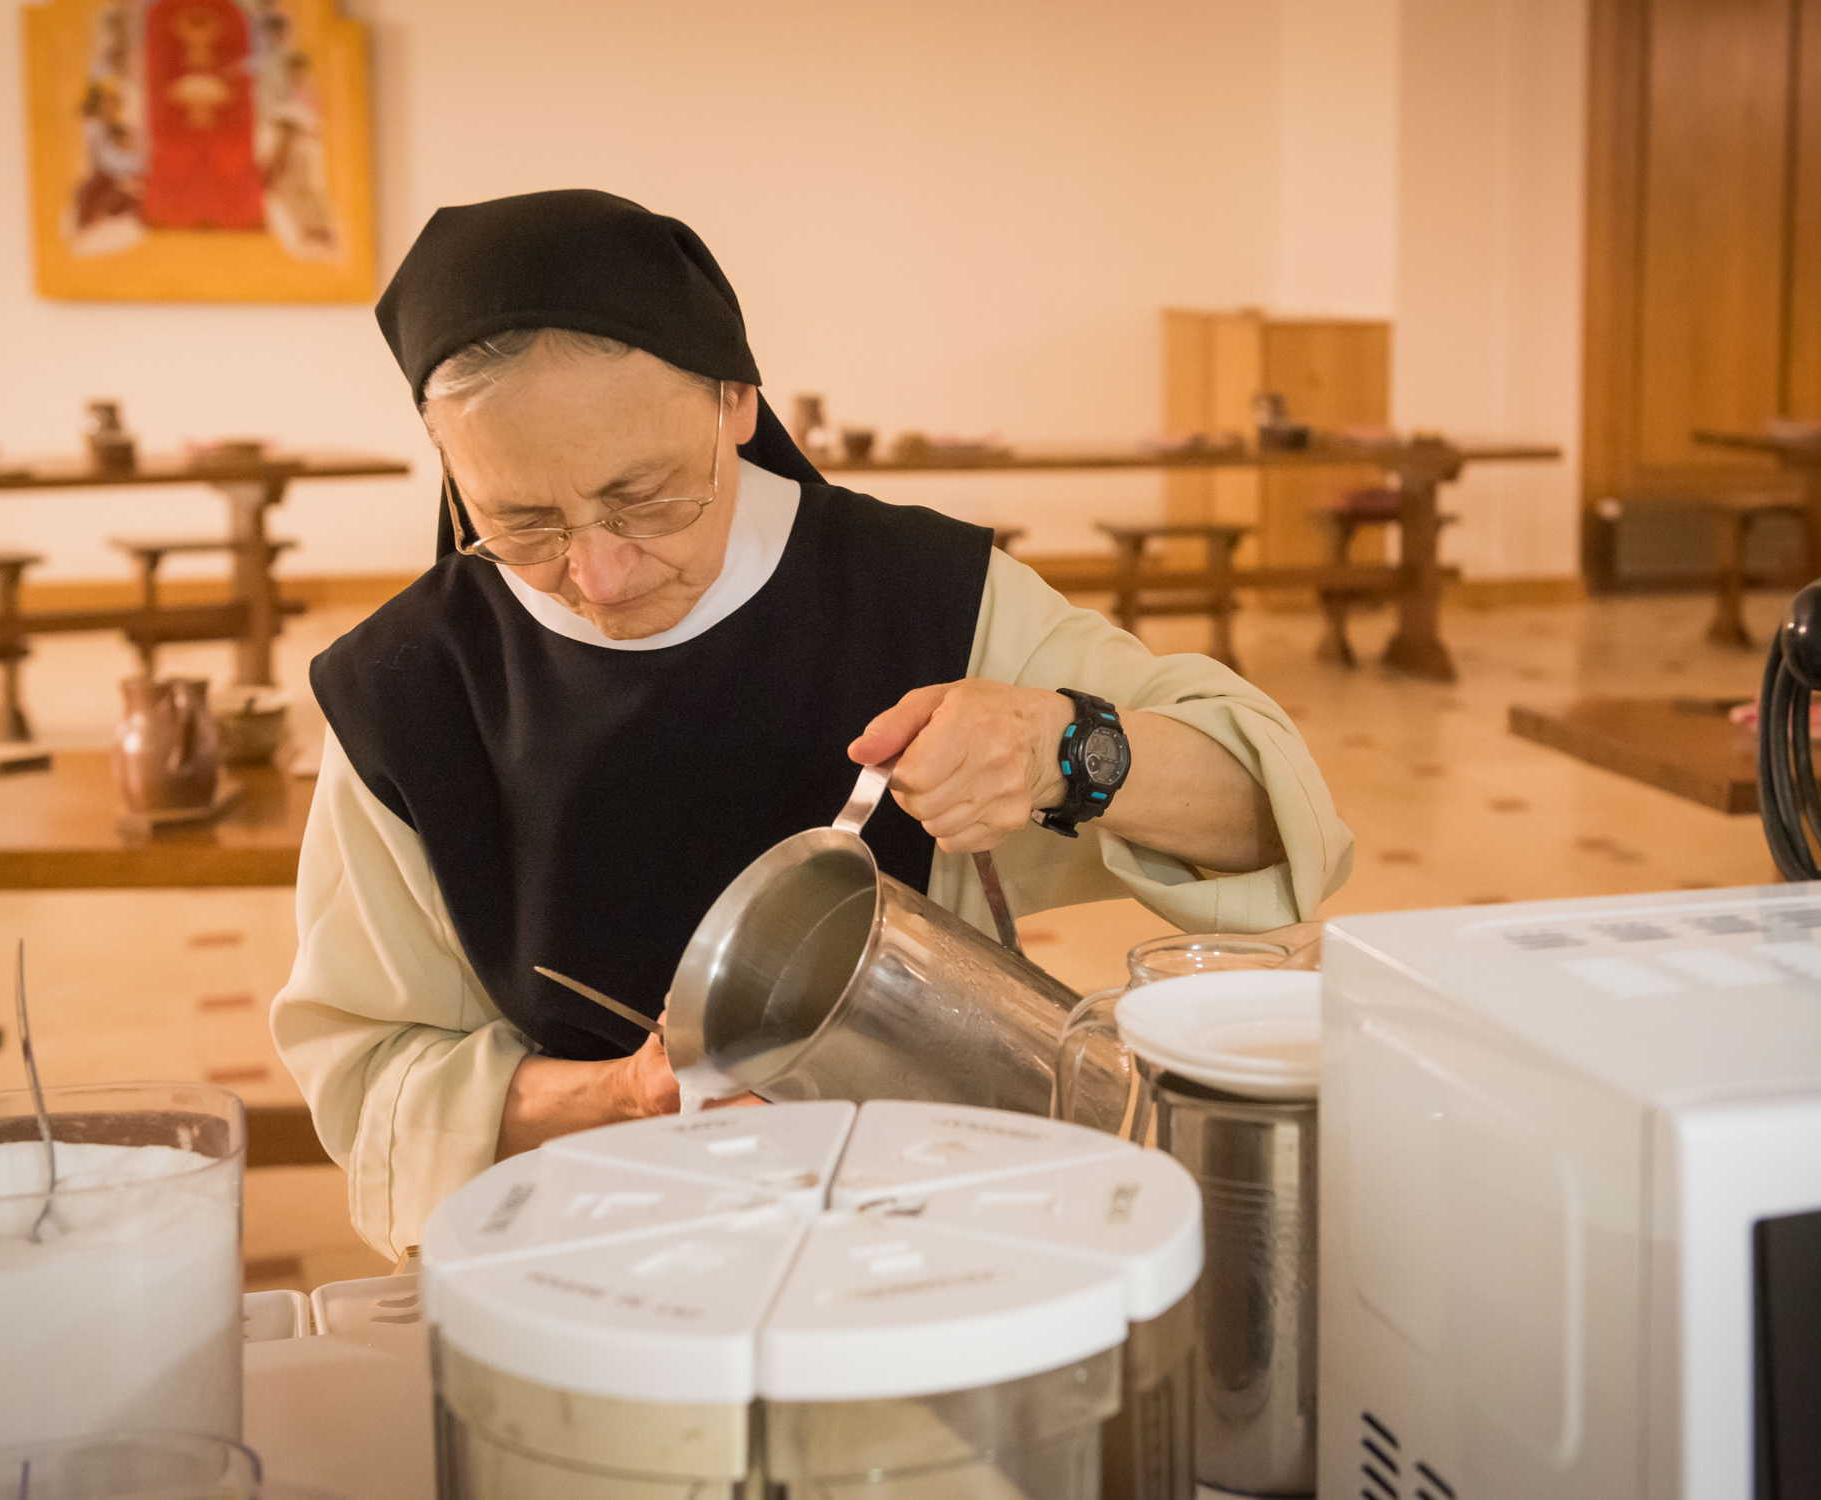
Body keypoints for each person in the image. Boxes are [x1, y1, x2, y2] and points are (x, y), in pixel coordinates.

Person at [271, 189, 1351, 1258]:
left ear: (736, 401)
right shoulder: (406, 691)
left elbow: (1262, 816)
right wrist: (626, 1095)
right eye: (521, 522)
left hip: (941, 1220)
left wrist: (1064, 748)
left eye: (645, 498)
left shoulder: (925, 595)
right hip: (597, 1250)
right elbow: (372, 1077)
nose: (596, 576)